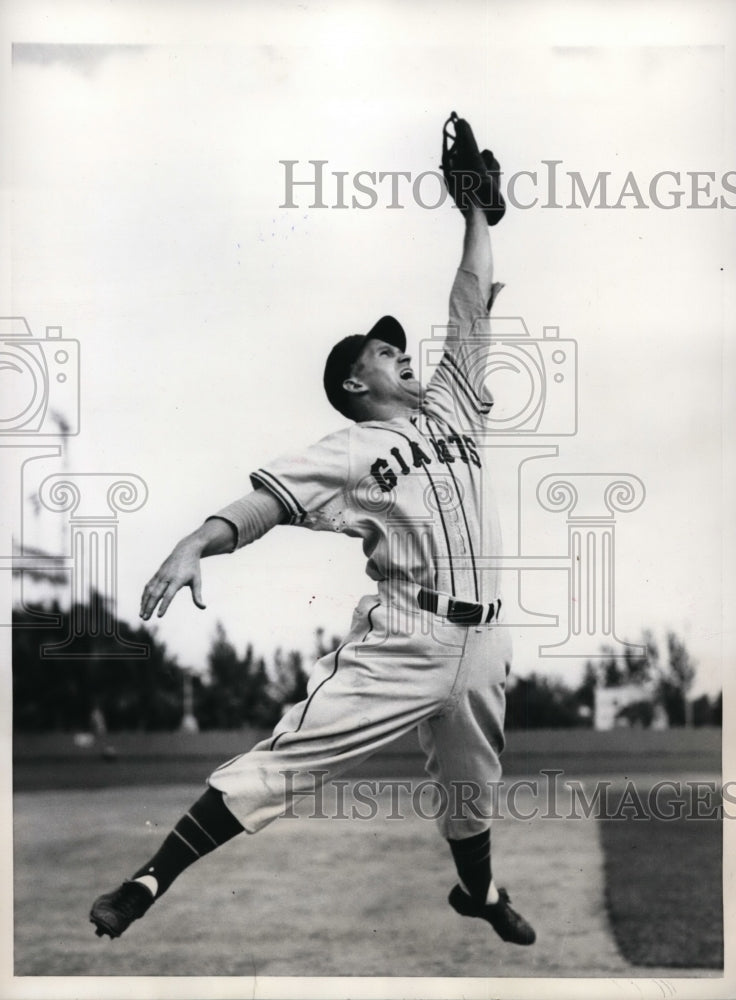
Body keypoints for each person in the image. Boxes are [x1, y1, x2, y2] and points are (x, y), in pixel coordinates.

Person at [90, 115, 536, 947]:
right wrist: (196, 540)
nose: (402, 355)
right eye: (383, 351)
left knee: (472, 792)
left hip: (486, 640)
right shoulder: (347, 449)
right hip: (407, 633)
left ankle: (479, 895)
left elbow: (468, 301)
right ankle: (147, 880)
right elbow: (266, 505)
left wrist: (476, 214)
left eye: (400, 350)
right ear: (351, 382)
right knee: (292, 758)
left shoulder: (455, 405)